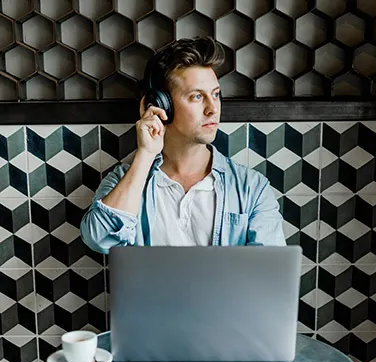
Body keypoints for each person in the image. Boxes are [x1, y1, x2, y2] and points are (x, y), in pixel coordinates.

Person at [80, 37, 286, 254]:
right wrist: (146, 154)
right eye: (197, 96)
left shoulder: (251, 188)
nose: (212, 109)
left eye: (215, 95)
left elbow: (267, 277)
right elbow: (99, 240)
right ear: (161, 105)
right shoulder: (126, 179)